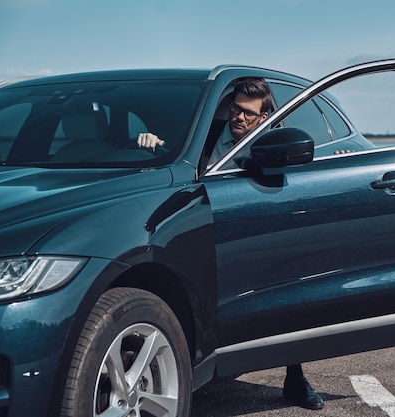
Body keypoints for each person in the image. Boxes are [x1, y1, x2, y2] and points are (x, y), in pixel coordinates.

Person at [137, 77, 324, 410]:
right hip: (209, 226)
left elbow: (299, 178)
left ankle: (295, 378)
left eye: (249, 114)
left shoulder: (274, 142)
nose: (239, 118)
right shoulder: (207, 139)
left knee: (283, 292)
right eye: (235, 109)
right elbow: (178, 162)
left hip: (259, 227)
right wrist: (154, 145)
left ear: (265, 117)